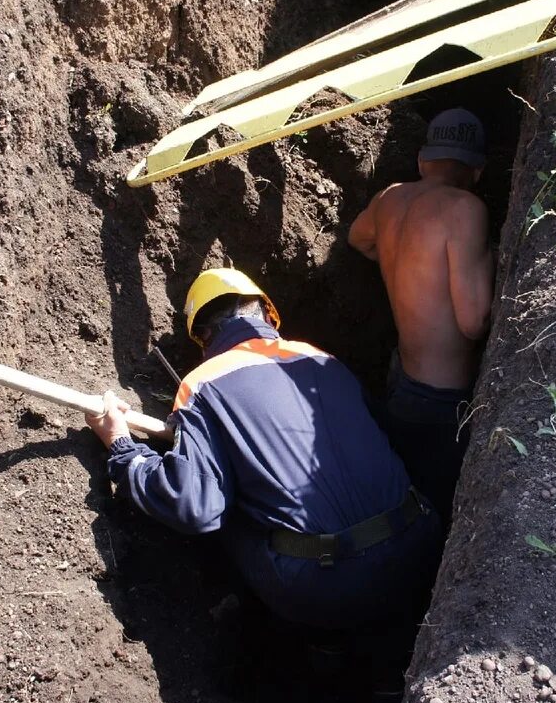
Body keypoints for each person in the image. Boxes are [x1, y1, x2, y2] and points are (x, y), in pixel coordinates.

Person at [86, 267, 441, 631]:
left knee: (228, 511)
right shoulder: (324, 359)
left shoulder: (201, 384)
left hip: (330, 588)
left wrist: (125, 450)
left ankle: (300, 645)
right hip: (423, 547)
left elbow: (194, 507)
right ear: (269, 316)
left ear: (204, 338)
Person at [347, 108, 495, 521]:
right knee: (437, 517)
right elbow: (473, 322)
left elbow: (357, 239)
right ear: (478, 172)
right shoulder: (466, 210)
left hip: (401, 381)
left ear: (421, 160)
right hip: (443, 404)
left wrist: (402, 267)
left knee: (399, 502)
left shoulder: (389, 197)